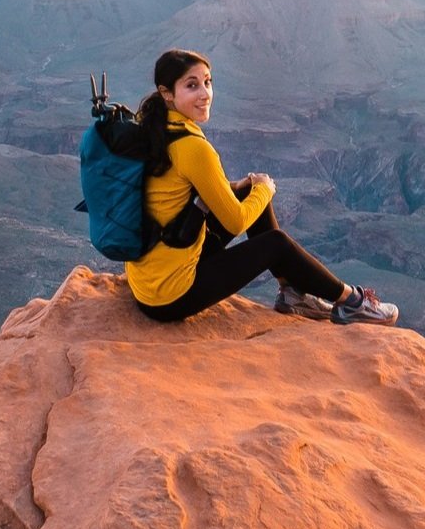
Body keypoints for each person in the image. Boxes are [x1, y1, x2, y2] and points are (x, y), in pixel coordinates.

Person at [124, 48, 400, 326]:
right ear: (167, 92)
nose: (205, 93)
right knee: (275, 243)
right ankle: (353, 302)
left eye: (208, 82)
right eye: (192, 85)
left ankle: (293, 294)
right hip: (170, 296)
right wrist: (265, 189)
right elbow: (237, 220)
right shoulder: (193, 148)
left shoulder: (153, 127)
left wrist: (242, 188)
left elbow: (175, 190)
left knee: (246, 192)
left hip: (149, 277)